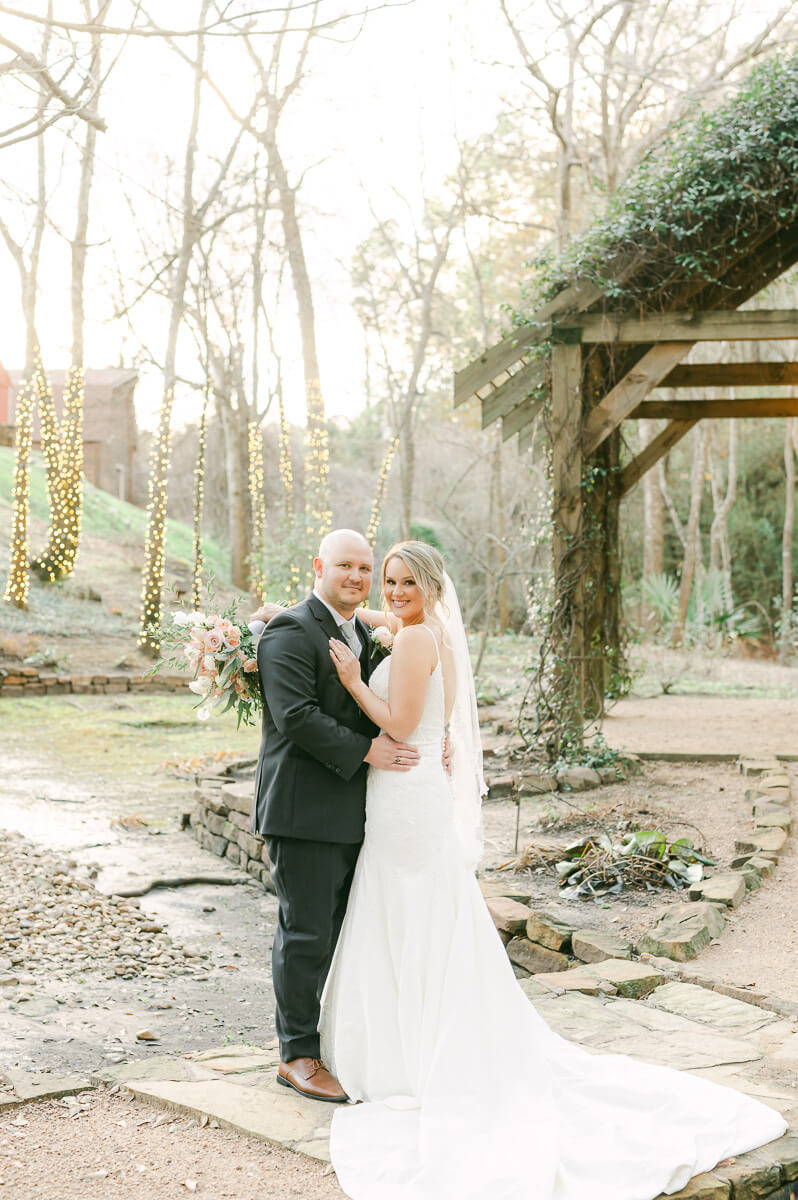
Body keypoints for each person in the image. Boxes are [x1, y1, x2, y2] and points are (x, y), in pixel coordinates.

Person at [320, 539, 787, 1200]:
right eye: (387, 582)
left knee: (408, 911)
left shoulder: (419, 642)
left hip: (404, 793)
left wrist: (349, 681)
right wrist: (322, 611)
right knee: (417, 913)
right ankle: (411, 1042)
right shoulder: (419, 631)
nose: (392, 594)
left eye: (404, 583)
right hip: (412, 796)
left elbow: (398, 722)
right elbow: (384, 631)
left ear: (429, 586)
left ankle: (408, 1055)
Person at [251, 528, 422, 1103]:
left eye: (364, 569)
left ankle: (333, 1042)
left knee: (340, 934)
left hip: (356, 810)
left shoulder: (362, 631)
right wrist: (369, 750)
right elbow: (294, 715)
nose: (355, 577)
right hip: (303, 810)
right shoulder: (291, 630)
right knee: (304, 934)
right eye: (345, 566)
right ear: (319, 565)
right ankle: (296, 1055)